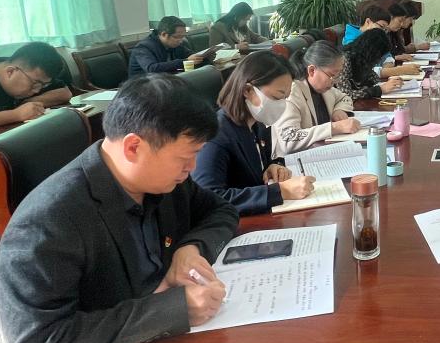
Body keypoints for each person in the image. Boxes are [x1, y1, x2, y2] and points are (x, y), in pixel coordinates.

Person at [0, 73, 273, 343]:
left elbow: (221, 210)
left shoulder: (163, 180)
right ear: (134, 147)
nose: (192, 168)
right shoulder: (47, 222)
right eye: (187, 156)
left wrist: (190, 248)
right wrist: (173, 309)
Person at [191, 51, 315, 216]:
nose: (282, 105)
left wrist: (272, 167)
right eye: (276, 97)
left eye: (285, 98)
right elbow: (208, 199)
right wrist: (279, 191)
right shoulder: (216, 136)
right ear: (247, 90)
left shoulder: (257, 124)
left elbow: (254, 170)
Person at [273, 42, 361, 156]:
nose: (336, 81)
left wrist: (339, 110)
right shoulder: (292, 93)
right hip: (296, 159)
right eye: (332, 75)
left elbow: (345, 98)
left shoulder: (324, 89)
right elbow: (289, 139)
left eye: (338, 75)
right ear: (312, 70)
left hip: (323, 151)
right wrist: (334, 128)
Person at [0, 41, 72, 133]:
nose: (38, 90)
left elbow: (65, 93)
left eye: (44, 85)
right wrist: (16, 114)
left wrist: (29, 103)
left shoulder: (30, 70)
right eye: (35, 83)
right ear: (10, 72)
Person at [335, 28, 404, 100]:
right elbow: (345, 95)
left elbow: (374, 79)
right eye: (378, 56)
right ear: (371, 52)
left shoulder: (362, 58)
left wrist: (390, 82)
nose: (378, 61)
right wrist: (379, 90)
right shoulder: (344, 60)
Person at [129, 16, 212, 76]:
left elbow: (190, 56)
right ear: (164, 34)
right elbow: (152, 69)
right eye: (177, 37)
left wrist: (205, 58)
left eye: (183, 36)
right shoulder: (143, 47)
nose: (181, 40)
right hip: (142, 87)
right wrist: (186, 61)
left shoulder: (176, 44)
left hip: (167, 81)